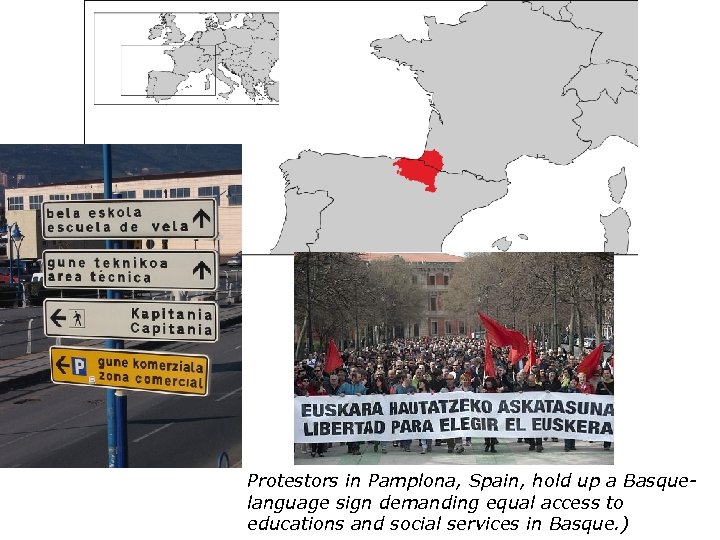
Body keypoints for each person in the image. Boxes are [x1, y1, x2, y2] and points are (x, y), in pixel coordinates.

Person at [338, 371, 367, 455]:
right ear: (353, 378)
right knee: (349, 429)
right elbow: (337, 394)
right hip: (347, 413)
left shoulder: (361, 386)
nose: (360, 379)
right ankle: (350, 447)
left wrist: (361, 396)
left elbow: (366, 398)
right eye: (358, 377)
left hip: (357, 412)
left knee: (357, 429)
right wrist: (341, 394)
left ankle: (356, 448)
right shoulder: (345, 385)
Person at [440, 374, 464, 453]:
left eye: (451, 379)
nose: (449, 380)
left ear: (453, 380)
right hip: (447, 415)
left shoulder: (459, 390)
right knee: (448, 430)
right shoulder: (442, 391)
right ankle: (450, 446)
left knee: (458, 429)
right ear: (446, 380)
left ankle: (459, 445)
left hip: (457, 415)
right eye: (447, 379)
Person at [393, 373, 416, 452]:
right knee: (401, 427)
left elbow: (417, 399)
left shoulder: (413, 388)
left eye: (411, 378)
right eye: (409, 378)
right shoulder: (397, 388)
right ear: (404, 379)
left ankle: (407, 445)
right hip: (400, 412)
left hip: (409, 412)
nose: (410, 379)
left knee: (408, 427)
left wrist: (413, 396)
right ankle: (402, 441)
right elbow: (393, 399)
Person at [522, 373, 544, 452]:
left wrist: (547, 393)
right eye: (529, 381)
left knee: (537, 428)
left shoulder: (540, 388)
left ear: (535, 380)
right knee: (529, 429)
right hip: (528, 412)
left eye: (531, 381)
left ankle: (539, 444)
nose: (530, 382)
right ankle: (532, 444)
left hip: (538, 411)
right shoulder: (524, 388)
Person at [306, 380, 328, 457]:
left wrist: (323, 393)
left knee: (321, 434)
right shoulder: (311, 393)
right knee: (315, 433)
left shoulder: (323, 392)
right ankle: (313, 450)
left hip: (322, 416)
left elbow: (327, 399)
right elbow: (309, 397)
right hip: (313, 416)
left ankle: (320, 451)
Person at [595, 367, 614, 451]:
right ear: (602, 375)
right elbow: (596, 396)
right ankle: (607, 444)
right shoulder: (600, 384)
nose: (606, 375)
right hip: (605, 410)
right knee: (607, 426)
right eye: (605, 373)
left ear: (610, 374)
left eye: (608, 373)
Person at [479, 377, 499, 453]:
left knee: (493, 430)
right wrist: (481, 393)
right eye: (486, 382)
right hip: (485, 414)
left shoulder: (497, 391)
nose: (487, 383)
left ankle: (493, 445)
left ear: (492, 383)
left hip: (494, 414)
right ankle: (487, 444)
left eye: (489, 382)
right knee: (486, 430)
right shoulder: (483, 391)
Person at [562, 376, 580, 452]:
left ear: (577, 383)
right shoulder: (564, 389)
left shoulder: (579, 391)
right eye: (572, 381)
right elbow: (555, 393)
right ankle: (567, 446)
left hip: (574, 413)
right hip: (565, 413)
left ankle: (572, 445)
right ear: (569, 382)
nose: (573, 382)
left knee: (573, 429)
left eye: (575, 381)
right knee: (567, 429)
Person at [416, 380, 433, 454]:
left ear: (425, 384)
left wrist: (433, 395)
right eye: (419, 383)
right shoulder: (417, 392)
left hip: (429, 414)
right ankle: (424, 447)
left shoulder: (430, 391)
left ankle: (429, 445)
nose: (420, 384)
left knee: (429, 430)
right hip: (420, 414)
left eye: (421, 383)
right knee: (422, 430)